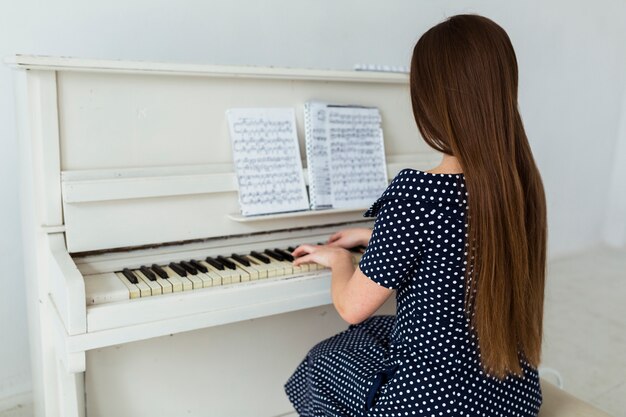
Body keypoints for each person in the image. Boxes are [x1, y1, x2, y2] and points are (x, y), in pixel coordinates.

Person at [284, 13, 547, 417]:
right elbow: (463, 243)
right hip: (513, 400)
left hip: (434, 405)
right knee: (382, 334)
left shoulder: (417, 192)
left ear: (429, 100)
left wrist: (339, 261)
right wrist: (378, 237)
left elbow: (352, 307)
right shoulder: (519, 184)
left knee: (323, 361)